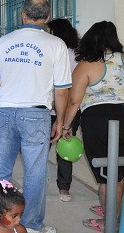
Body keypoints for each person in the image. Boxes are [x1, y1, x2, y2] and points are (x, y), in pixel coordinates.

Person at [0, 0, 71, 233]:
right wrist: (60, 121)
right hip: (36, 115)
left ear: (23, 15)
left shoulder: (5, 41)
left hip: (5, 112)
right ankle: (30, 226)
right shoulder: (56, 45)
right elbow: (62, 91)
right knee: (35, 173)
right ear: (48, 17)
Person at [62, 21, 124, 232]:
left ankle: (109, 222)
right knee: (121, 172)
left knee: (106, 176)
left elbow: (74, 101)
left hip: (98, 121)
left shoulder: (86, 65)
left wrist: (66, 127)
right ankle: (114, 211)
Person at [47, 18, 81, 203]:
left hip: (53, 108)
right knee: (64, 149)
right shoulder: (77, 55)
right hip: (69, 110)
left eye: (50, 30)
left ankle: (38, 184)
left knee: (41, 149)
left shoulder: (62, 54)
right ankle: (64, 189)